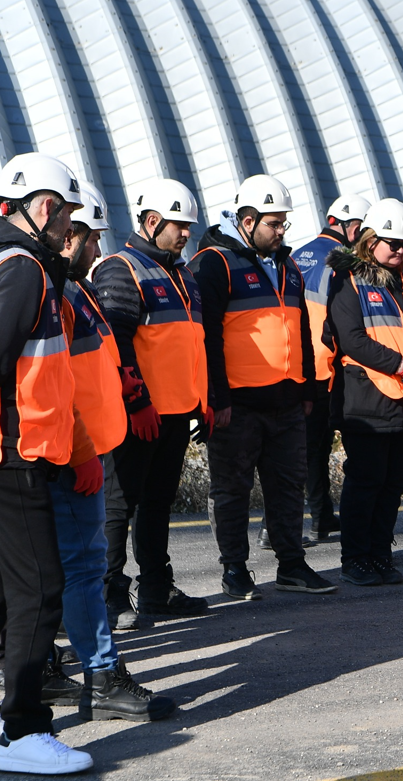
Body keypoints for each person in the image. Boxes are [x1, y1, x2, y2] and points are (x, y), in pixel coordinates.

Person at [47, 183, 174, 722]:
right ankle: (99, 675)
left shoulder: (76, 291)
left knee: (61, 569)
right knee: (82, 567)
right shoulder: (49, 290)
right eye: (93, 238)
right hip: (67, 455)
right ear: (68, 234)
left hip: (83, 450)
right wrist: (80, 449)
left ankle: (46, 668)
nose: (99, 250)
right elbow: (48, 382)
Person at [191, 174, 335, 599]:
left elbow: (302, 328)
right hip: (238, 406)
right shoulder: (214, 264)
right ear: (248, 220)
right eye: (275, 223)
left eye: (284, 223)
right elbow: (207, 338)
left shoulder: (289, 266)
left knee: (288, 485)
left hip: (288, 403)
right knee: (232, 491)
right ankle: (235, 569)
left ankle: (291, 565)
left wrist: (307, 389)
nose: (282, 231)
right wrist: (217, 398)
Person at [0, 152, 94, 773]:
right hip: (16, 458)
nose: (70, 230)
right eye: (65, 217)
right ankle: (24, 731)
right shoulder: (25, 270)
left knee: (13, 595)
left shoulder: (19, 265)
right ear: (42, 207)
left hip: (22, 453)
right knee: (39, 592)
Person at [94, 178, 209, 627]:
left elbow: (195, 343)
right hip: (138, 414)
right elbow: (117, 345)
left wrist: (206, 399)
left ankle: (157, 589)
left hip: (177, 413)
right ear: (153, 220)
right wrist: (137, 400)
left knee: (158, 503)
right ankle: (110, 595)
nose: (186, 234)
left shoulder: (182, 275)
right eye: (179, 226)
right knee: (119, 506)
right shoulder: (120, 268)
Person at [325, 198, 403, 585]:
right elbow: (352, 339)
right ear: (370, 240)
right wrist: (401, 365)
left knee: (393, 483)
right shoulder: (349, 281)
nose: (399, 249)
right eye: (391, 242)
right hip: (367, 399)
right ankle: (355, 558)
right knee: (365, 481)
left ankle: (378, 554)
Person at [291, 194, 371, 543]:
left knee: (304, 449)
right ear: (352, 227)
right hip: (328, 366)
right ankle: (295, 522)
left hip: (296, 366)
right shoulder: (344, 261)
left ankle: (320, 515)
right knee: (318, 448)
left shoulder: (296, 255)